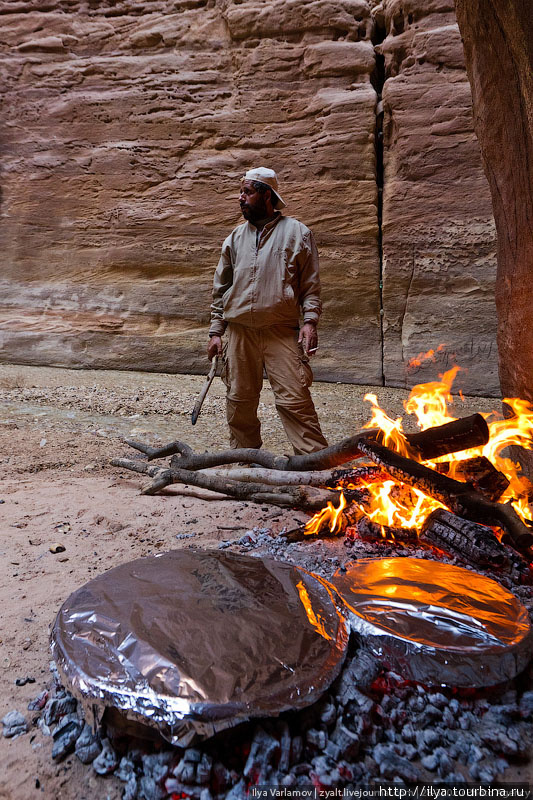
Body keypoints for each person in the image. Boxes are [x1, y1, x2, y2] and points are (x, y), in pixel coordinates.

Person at [207, 167, 328, 455]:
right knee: (239, 401)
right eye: (241, 192)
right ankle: (245, 460)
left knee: (294, 400)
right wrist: (216, 331)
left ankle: (315, 463)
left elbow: (311, 286)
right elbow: (221, 288)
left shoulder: (298, 233)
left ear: (266, 194)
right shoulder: (235, 238)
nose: (241, 198)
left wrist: (310, 322)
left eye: (247, 192)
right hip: (239, 333)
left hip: (281, 332)